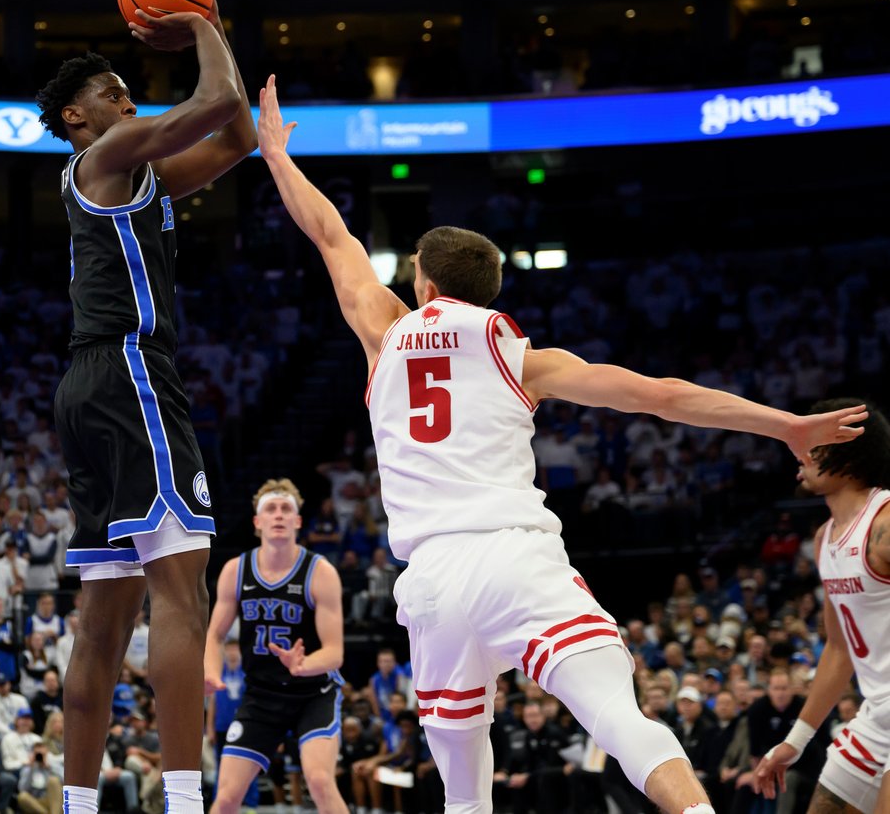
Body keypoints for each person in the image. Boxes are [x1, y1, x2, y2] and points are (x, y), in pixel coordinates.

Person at [253, 73, 869, 814]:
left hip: (433, 579)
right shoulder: (520, 356)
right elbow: (661, 394)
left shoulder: (384, 331)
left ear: (424, 285)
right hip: (514, 558)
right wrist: (787, 425)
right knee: (618, 716)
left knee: (463, 793)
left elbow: (331, 234)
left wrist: (277, 157)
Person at [32, 0, 256, 814]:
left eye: (129, 91)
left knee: (104, 615)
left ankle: (79, 804)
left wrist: (214, 36)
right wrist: (200, 20)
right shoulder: (109, 151)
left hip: (88, 384)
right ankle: (187, 801)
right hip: (131, 371)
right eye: (111, 92)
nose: (127, 100)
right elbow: (218, 99)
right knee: (180, 592)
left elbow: (237, 137)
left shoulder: (132, 171)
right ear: (76, 116)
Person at [754, 399, 890, 814]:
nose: (801, 452)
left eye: (815, 444)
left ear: (849, 453)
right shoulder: (824, 539)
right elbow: (837, 648)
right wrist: (794, 742)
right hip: (877, 716)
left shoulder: (885, 524)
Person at [203, 478, 349, 814]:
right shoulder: (235, 570)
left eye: (286, 509)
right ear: (257, 521)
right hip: (261, 694)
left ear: (298, 521)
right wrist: (211, 671)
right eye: (271, 508)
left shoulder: (320, 572)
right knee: (226, 797)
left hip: (313, 693)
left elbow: (335, 652)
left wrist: (303, 665)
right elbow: (215, 635)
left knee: (320, 781)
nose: (279, 514)